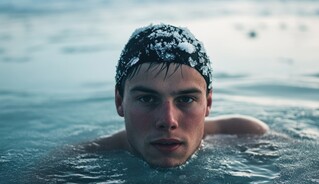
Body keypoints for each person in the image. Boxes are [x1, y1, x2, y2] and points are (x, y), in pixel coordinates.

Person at [83, 23, 268, 168]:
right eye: (147, 99)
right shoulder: (81, 163)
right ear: (119, 101)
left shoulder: (249, 136)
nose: (168, 120)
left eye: (186, 99)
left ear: (208, 103)